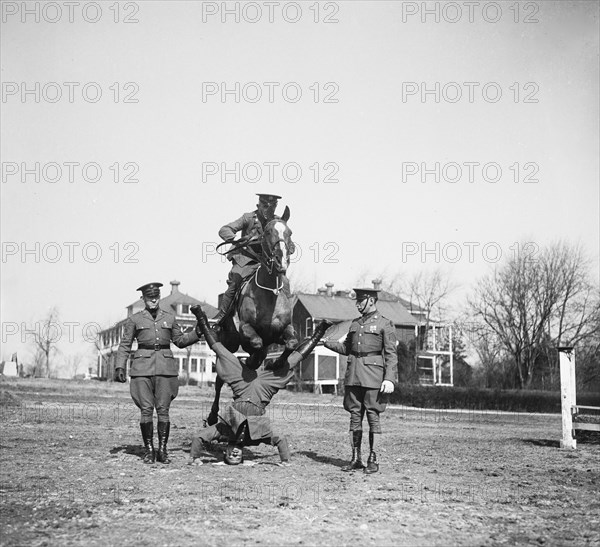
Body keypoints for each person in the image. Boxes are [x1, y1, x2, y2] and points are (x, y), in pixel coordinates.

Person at [190, 305, 332, 465]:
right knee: (293, 361)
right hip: (264, 388)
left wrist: (195, 458)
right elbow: (280, 439)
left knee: (221, 351)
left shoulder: (224, 431)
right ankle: (320, 330)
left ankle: (200, 317)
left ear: (225, 452)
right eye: (238, 457)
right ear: (243, 455)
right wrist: (285, 460)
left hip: (241, 383)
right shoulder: (257, 435)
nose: (235, 453)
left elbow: (199, 437)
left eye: (231, 456)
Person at [114, 282, 200, 464]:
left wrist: (197, 333)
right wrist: (120, 366)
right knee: (146, 410)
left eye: (156, 297)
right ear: (143, 299)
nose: (153, 300)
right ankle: (149, 451)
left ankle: (162, 450)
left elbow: (180, 340)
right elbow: (125, 344)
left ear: (159, 298)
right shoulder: (135, 320)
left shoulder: (170, 317)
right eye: (149, 298)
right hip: (142, 369)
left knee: (163, 411)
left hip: (165, 370)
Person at [323, 288, 397, 474]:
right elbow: (346, 348)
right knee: (354, 416)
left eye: (360, 301)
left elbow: (391, 355)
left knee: (373, 416)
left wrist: (389, 378)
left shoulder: (385, 324)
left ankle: (373, 458)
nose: (357, 304)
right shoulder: (355, 324)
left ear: (371, 301)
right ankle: (356, 458)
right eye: (357, 301)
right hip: (354, 375)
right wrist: (326, 343)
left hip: (373, 377)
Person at [212, 194, 294, 325]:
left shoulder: (278, 222)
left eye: (272, 206)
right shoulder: (248, 218)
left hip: (268, 263)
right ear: (259, 205)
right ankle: (222, 315)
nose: (268, 209)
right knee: (235, 280)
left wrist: (287, 246)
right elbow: (224, 229)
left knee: (285, 283)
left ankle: (288, 321)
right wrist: (236, 240)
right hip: (247, 260)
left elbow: (288, 242)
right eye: (265, 206)